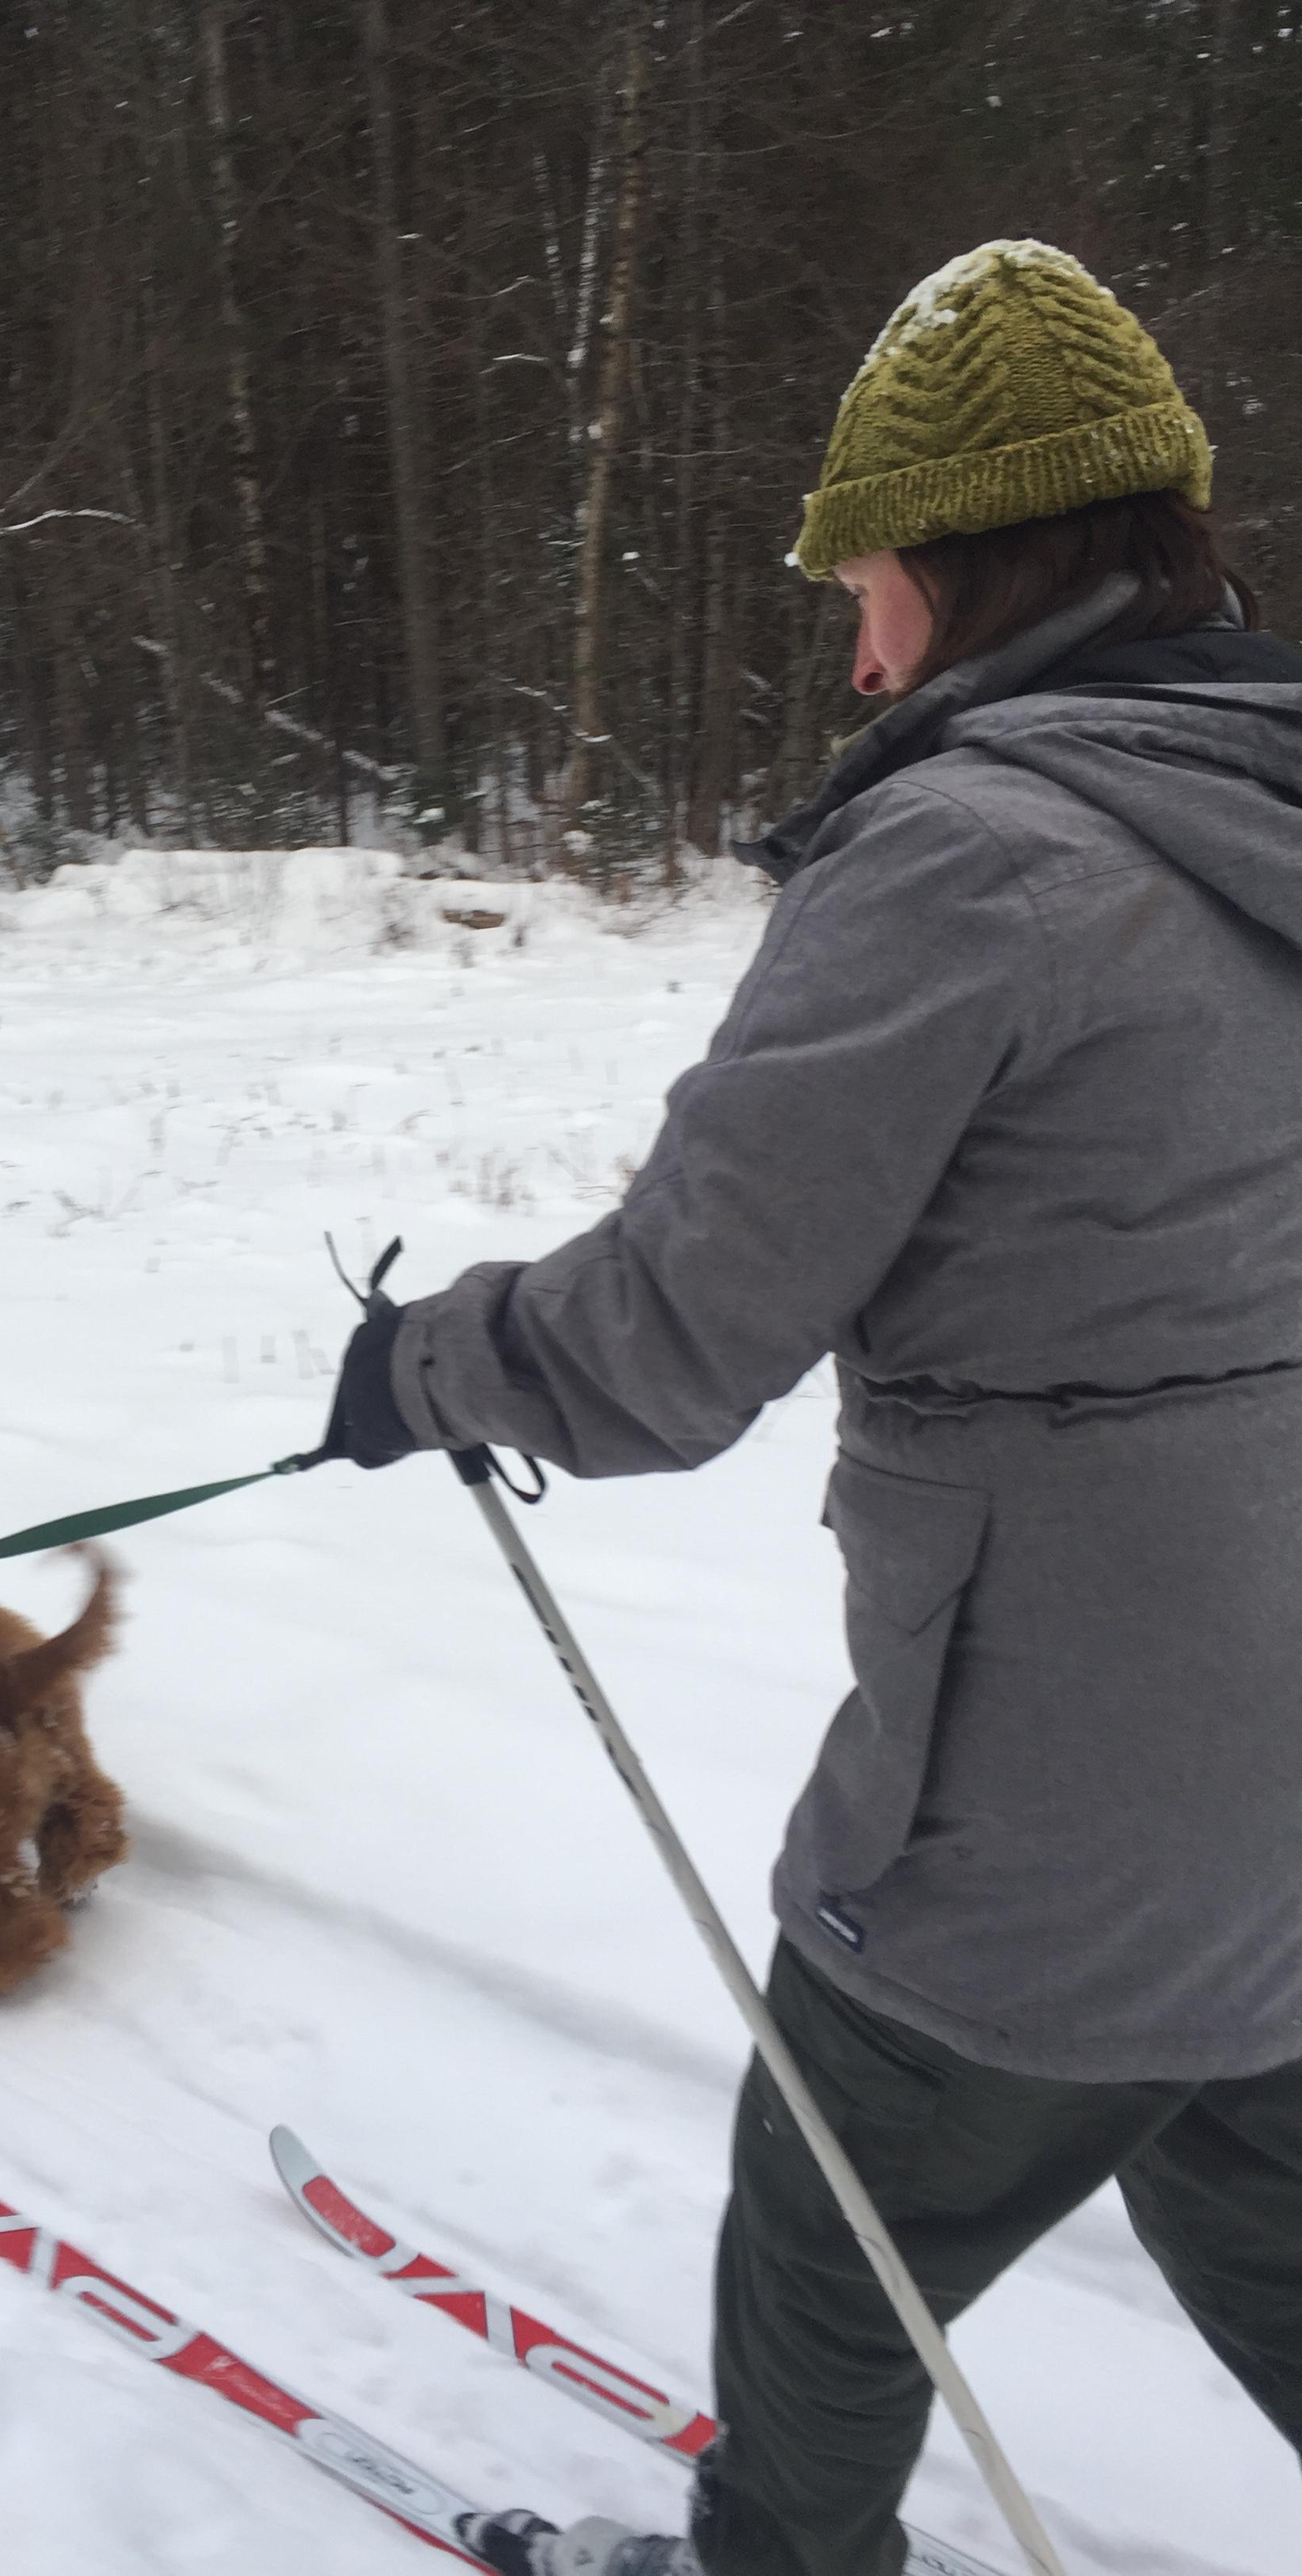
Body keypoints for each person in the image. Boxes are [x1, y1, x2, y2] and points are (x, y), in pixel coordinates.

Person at [315, 238, 1302, 2576]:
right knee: (1249, 2167)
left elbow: (669, 1343)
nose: (854, 651)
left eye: (863, 585)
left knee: (834, 2253)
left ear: (958, 565)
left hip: (1048, 1796)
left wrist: (426, 1360)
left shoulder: (976, 859)